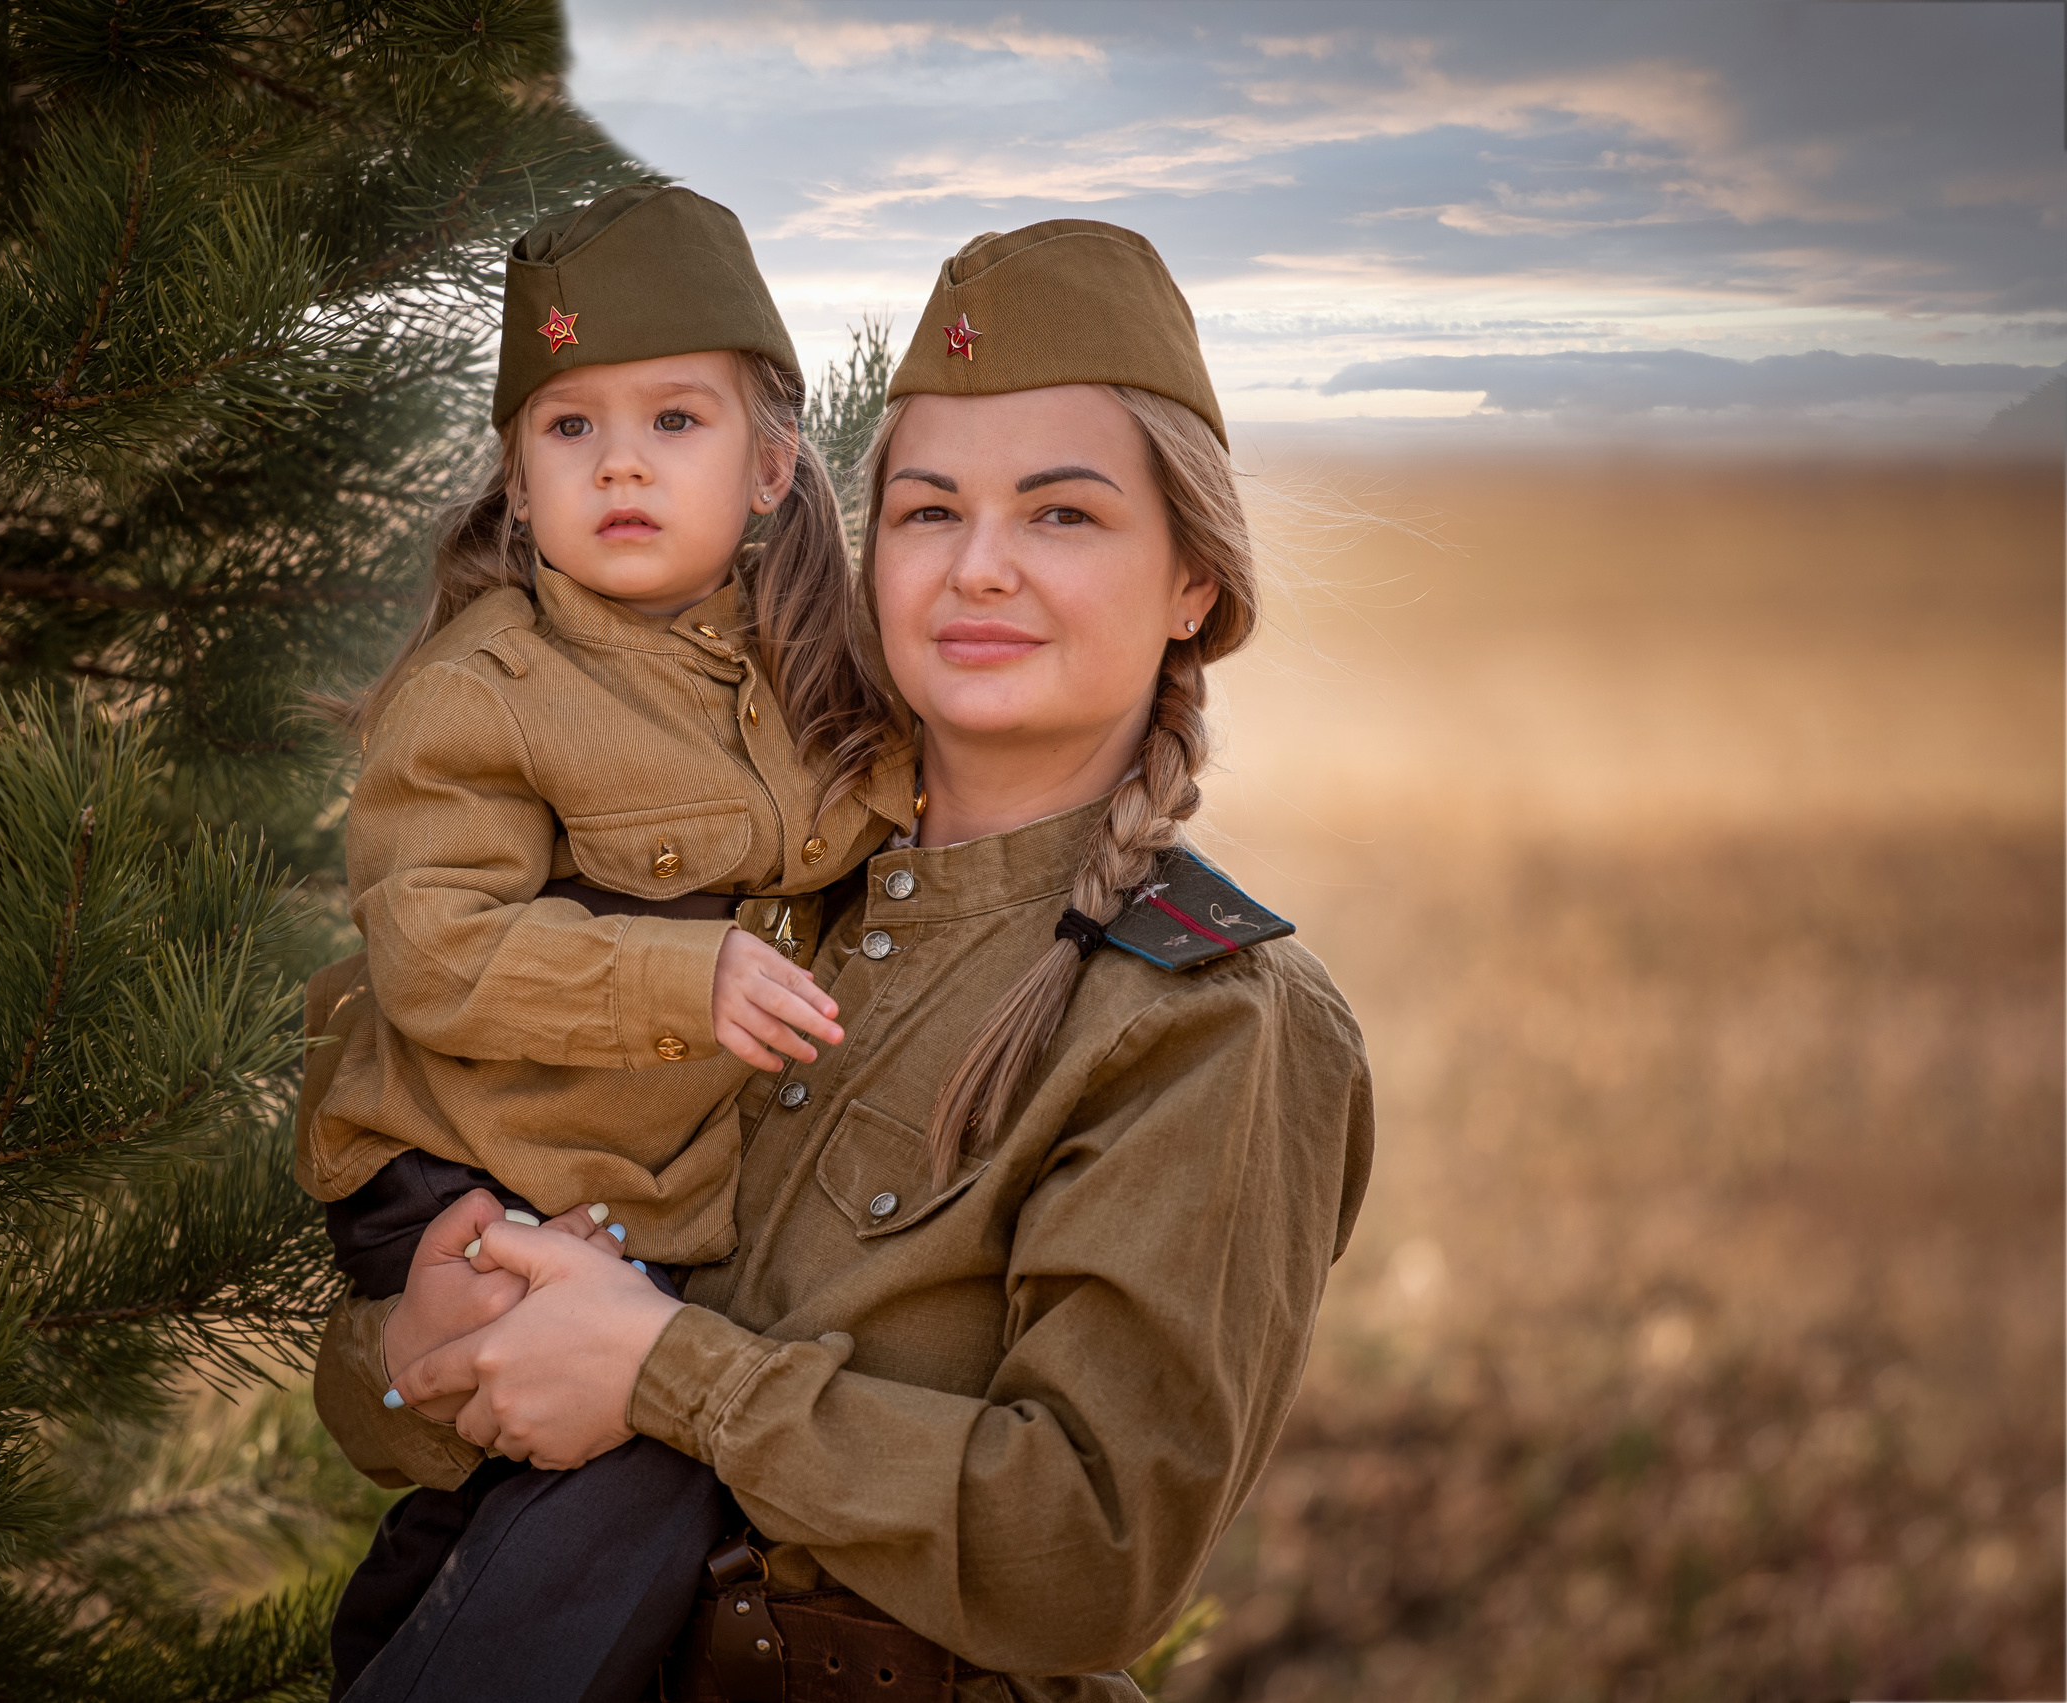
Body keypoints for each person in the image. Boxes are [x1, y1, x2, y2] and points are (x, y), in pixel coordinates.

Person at [316, 218, 1377, 1703]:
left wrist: (660, 1373)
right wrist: (409, 1348)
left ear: (1193, 580)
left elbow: (1086, 1556)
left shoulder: (1206, 1019)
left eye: (1061, 516)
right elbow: (390, 1389)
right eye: (929, 512)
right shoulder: (749, 888)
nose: (979, 569)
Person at [294, 185, 912, 1701]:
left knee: (566, 1490)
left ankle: (414, 1632)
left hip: (634, 1184)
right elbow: (432, 950)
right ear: (516, 482)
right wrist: (675, 975)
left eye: (675, 421)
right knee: (629, 1466)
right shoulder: (488, 686)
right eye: (569, 428)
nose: (620, 460)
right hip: (465, 1161)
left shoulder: (813, 671)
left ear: (774, 466)